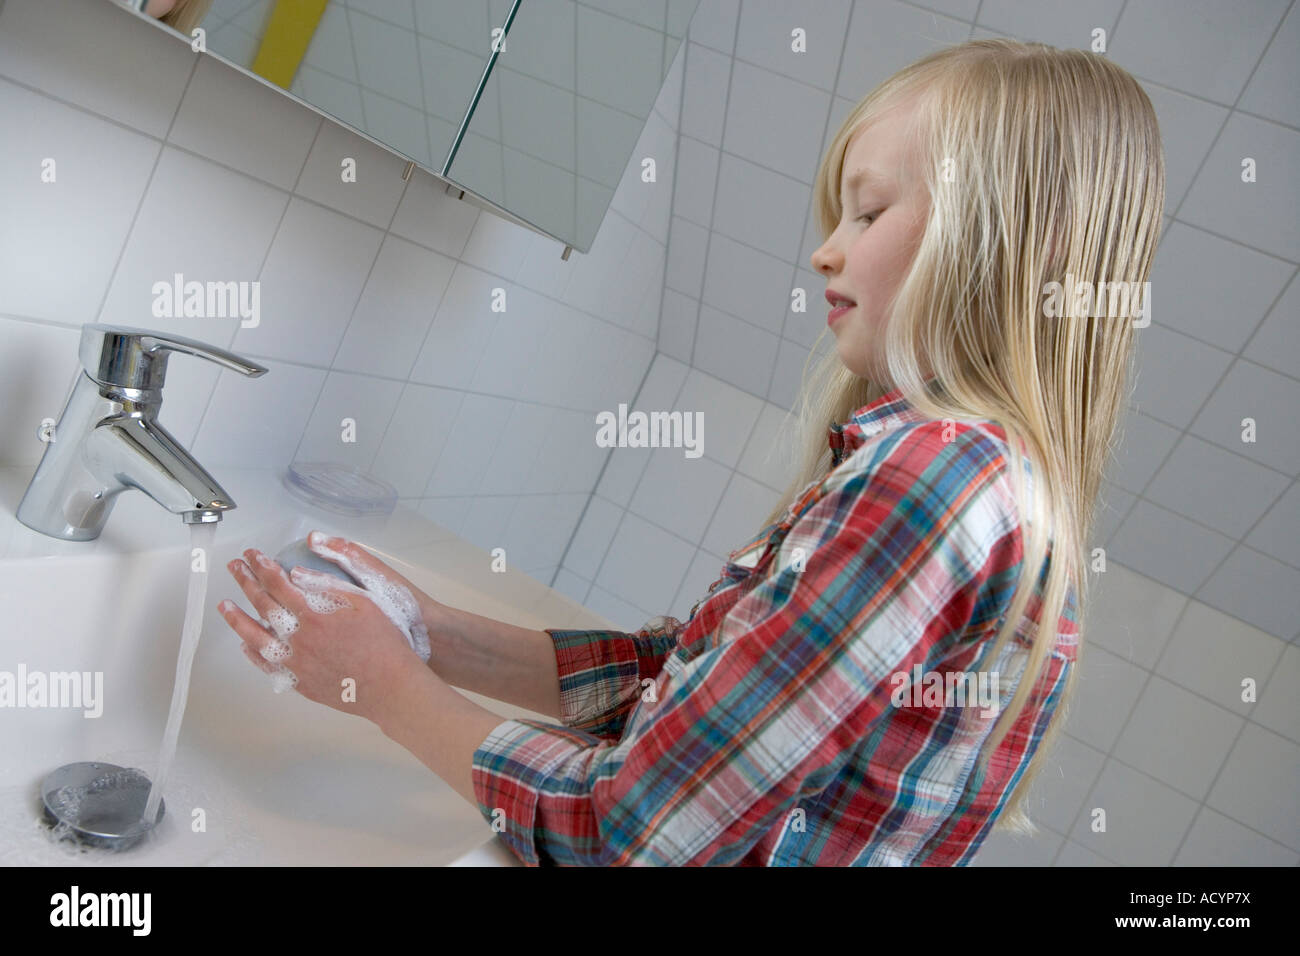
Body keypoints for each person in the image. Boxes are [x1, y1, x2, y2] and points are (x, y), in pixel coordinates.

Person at [219, 37, 1165, 865]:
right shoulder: (988, 482)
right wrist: (438, 635)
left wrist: (385, 686)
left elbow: (630, 836)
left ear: (1003, 244)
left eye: (868, 215)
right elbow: (691, 686)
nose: (825, 252)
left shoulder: (937, 481)